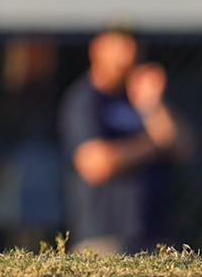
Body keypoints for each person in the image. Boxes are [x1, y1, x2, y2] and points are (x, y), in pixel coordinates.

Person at [58, 29, 190, 253]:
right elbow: (96, 163)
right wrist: (154, 145)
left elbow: (182, 147)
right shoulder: (86, 99)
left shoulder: (143, 97)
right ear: (97, 49)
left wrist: (153, 105)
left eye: (133, 44)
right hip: (105, 238)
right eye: (120, 45)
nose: (129, 53)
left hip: (156, 236)